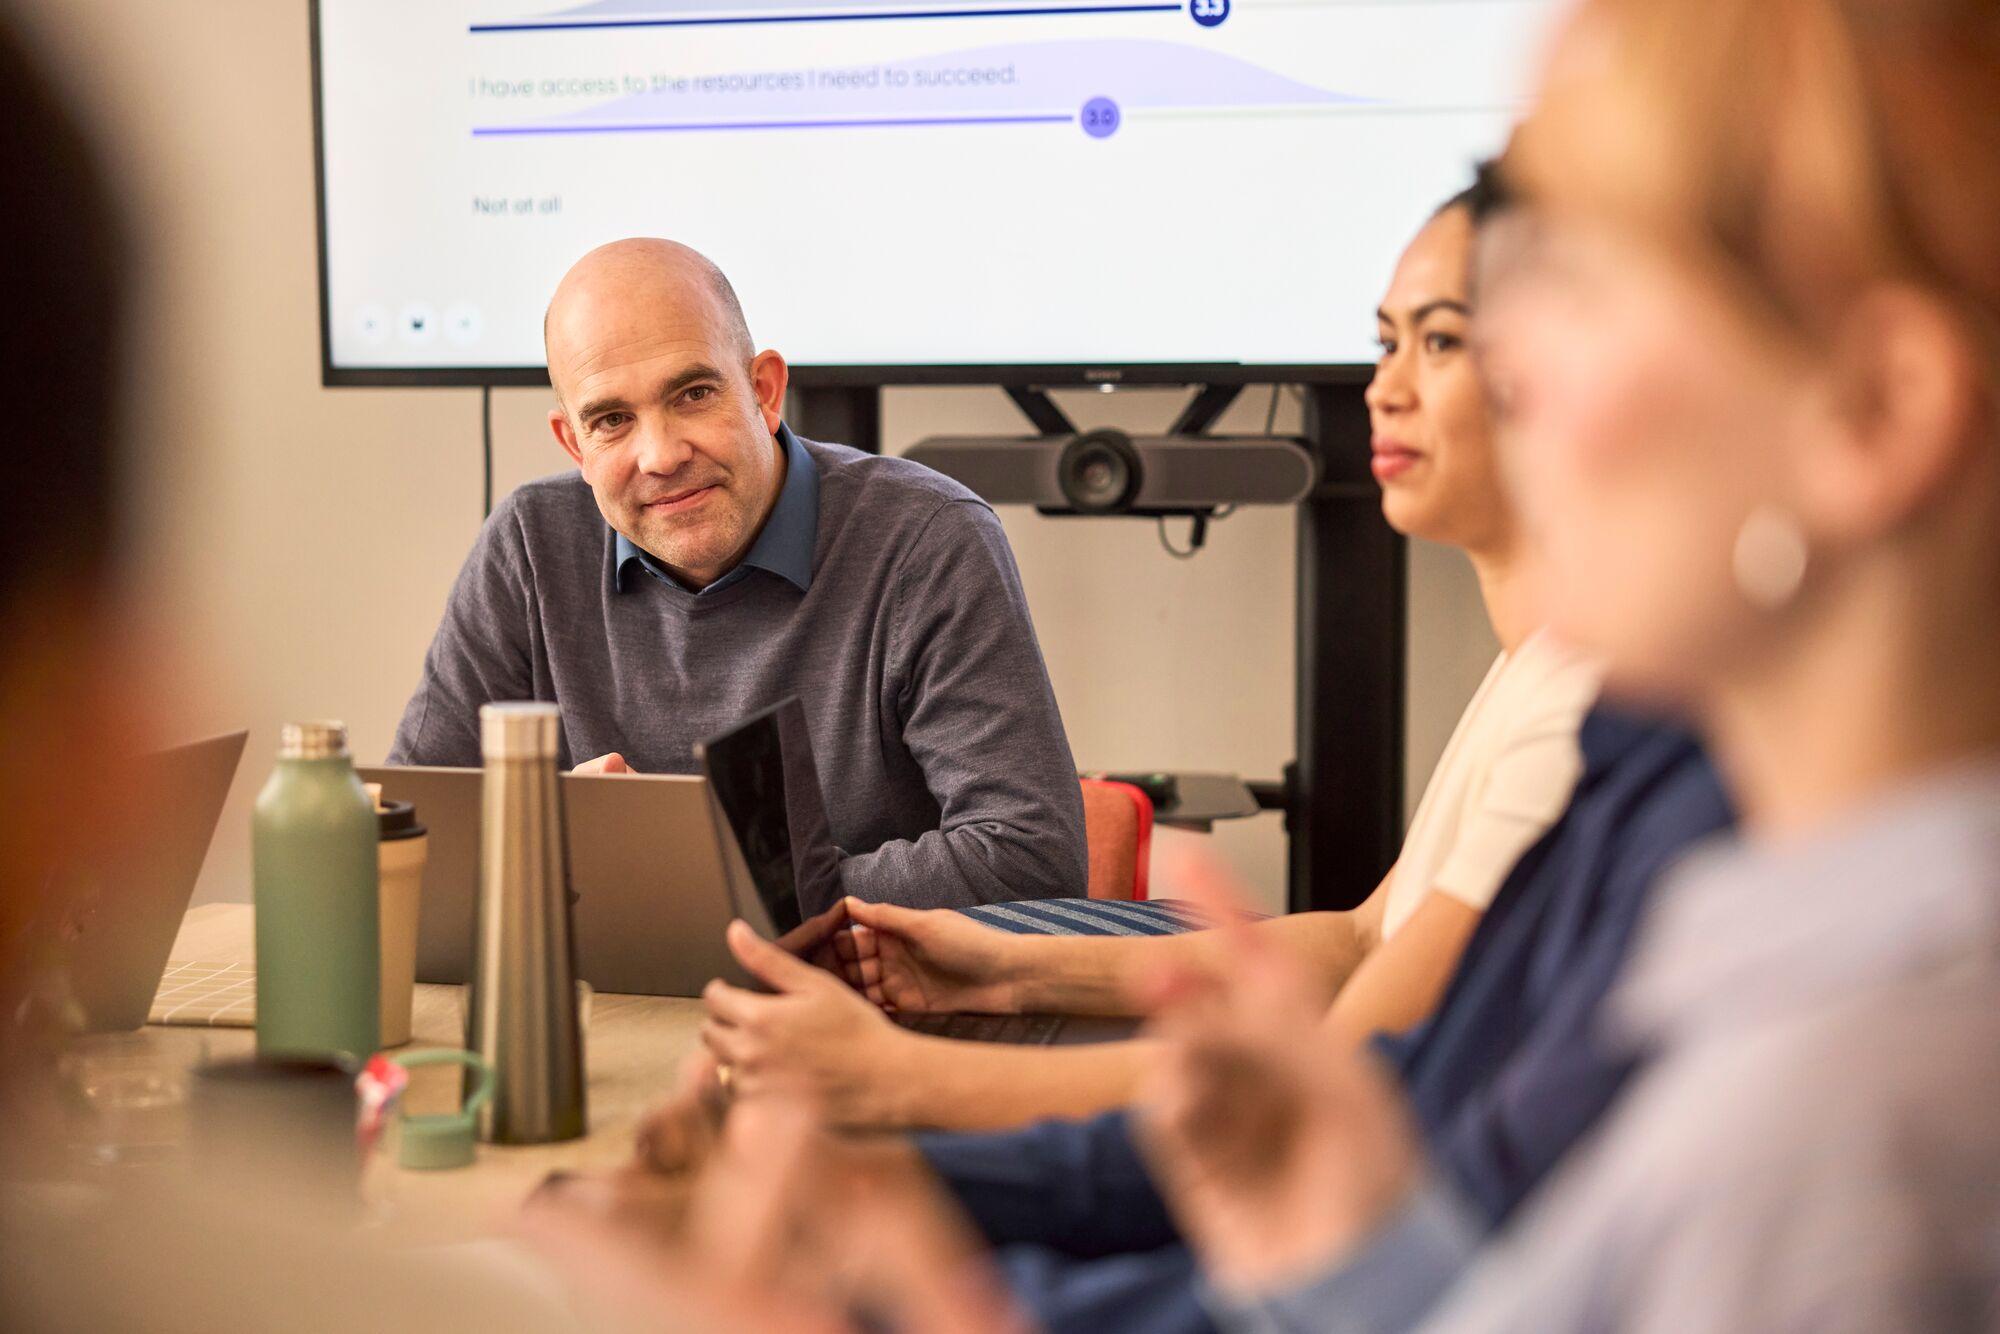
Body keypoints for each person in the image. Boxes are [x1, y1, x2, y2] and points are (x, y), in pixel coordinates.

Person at [1136, 0, 2000, 1327]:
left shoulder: (1848, 1120)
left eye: (1580, 275)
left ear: (1875, 409)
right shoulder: (1806, 996)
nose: (1505, 365)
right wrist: (1350, 1245)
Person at [678, 172, 1606, 1130]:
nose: (1385, 389)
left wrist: (899, 1078)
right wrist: (1001, 968)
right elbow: (1367, 939)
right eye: (1386, 343)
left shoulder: (1584, 705)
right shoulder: (1531, 662)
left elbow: (1333, 1088)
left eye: (1440, 341)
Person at [387, 238, 1086, 910]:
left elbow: (1030, 859)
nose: (660, 455)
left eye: (692, 394)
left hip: (846, 987)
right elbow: (402, 838)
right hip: (602, 985)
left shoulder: (929, 538)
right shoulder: (529, 545)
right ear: (574, 442)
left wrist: (704, 877)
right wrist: (546, 847)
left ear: (764, 391)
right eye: (612, 419)